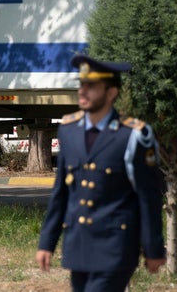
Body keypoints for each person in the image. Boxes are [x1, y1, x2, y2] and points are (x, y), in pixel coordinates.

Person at [35, 54, 166, 291]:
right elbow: (61, 194)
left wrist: (153, 249)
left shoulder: (133, 135)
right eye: (81, 85)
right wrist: (47, 243)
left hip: (115, 247)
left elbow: (148, 197)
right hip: (79, 246)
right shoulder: (68, 130)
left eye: (91, 86)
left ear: (111, 92)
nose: (83, 91)